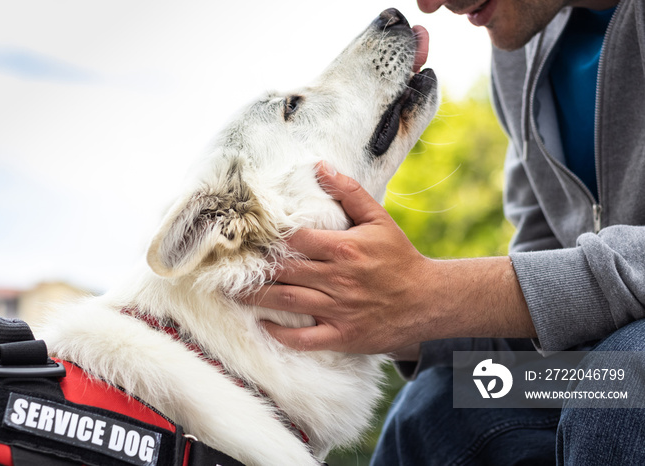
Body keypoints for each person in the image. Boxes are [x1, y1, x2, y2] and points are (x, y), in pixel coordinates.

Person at [245, 0, 645, 463]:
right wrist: (395, 318)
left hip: (619, 377)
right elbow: (546, 298)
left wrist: (434, 294)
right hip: (584, 371)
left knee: (623, 380)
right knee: (438, 404)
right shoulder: (519, 56)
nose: (430, 4)